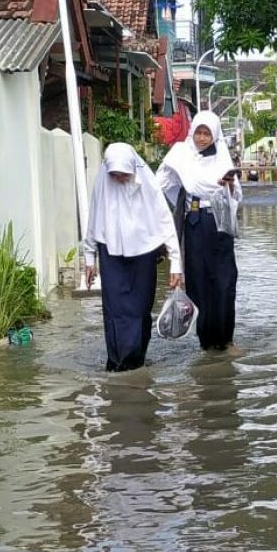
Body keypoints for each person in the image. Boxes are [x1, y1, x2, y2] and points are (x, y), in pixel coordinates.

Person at [83, 143, 183, 372]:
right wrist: (89, 258)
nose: (118, 179)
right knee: (114, 309)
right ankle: (117, 361)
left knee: (139, 309)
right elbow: (93, 219)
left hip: (144, 253)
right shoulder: (103, 183)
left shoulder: (148, 186)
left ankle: (136, 358)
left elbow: (165, 222)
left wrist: (176, 265)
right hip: (110, 253)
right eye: (114, 175)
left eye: (124, 174)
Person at [157, 111, 242, 351]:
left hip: (220, 222)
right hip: (194, 222)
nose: (202, 138)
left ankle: (226, 339)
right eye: (199, 133)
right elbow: (160, 184)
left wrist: (230, 185)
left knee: (225, 282)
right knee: (198, 282)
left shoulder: (222, 158)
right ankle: (206, 341)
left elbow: (237, 197)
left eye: (207, 134)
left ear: (215, 135)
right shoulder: (181, 155)